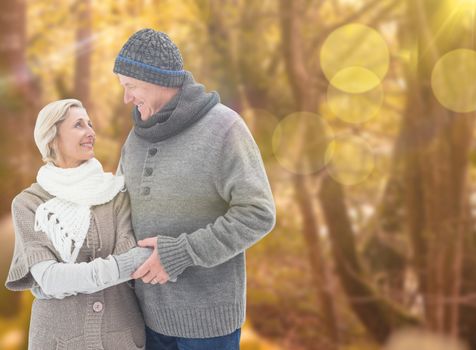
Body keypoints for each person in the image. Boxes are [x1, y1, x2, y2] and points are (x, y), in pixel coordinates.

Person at [113, 28, 276, 349]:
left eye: (131, 87)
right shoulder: (135, 139)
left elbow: (258, 214)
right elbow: (119, 208)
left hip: (207, 325)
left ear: (158, 81)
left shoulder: (224, 128)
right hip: (145, 317)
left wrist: (180, 254)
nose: (126, 98)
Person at [5, 99, 154, 349]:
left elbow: (134, 261)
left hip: (119, 336)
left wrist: (64, 282)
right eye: (78, 125)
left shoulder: (115, 193)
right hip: (57, 339)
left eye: (90, 124)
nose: (90, 132)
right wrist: (55, 282)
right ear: (53, 138)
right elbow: (50, 278)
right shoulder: (29, 204)